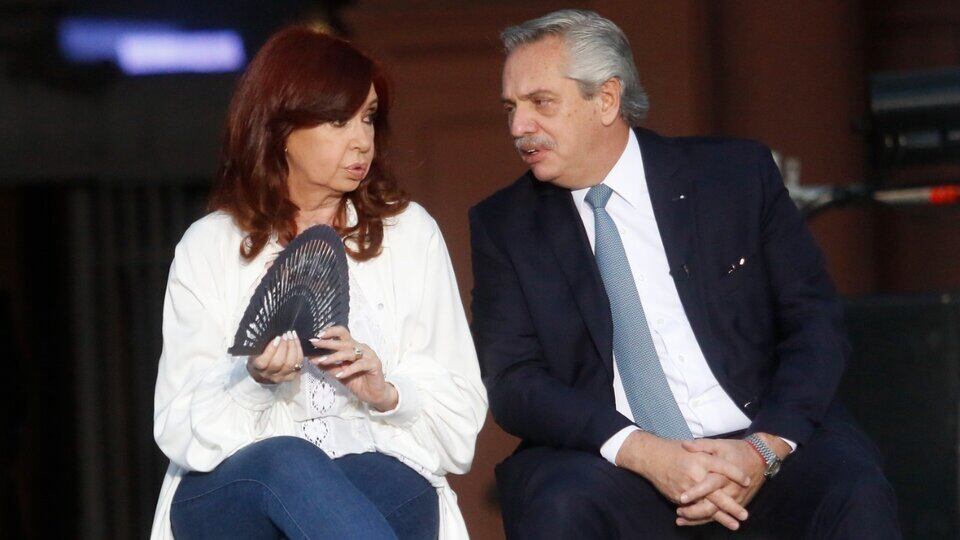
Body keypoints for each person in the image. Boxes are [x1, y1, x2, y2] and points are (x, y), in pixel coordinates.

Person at [470, 9, 900, 539]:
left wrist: (762, 449)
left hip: (760, 434)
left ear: (606, 99)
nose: (518, 127)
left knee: (852, 487)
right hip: (616, 459)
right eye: (511, 107)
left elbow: (814, 322)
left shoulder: (732, 176)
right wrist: (643, 452)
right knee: (558, 506)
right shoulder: (505, 225)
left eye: (541, 103)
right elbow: (514, 381)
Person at [150, 25, 487, 539]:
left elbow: (459, 422)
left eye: (368, 117)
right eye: (337, 120)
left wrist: (386, 393)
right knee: (290, 462)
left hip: (371, 481)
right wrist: (255, 382)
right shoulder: (210, 245)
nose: (362, 140)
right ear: (280, 130)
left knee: (401, 488)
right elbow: (178, 427)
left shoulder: (408, 232)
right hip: (237, 495)